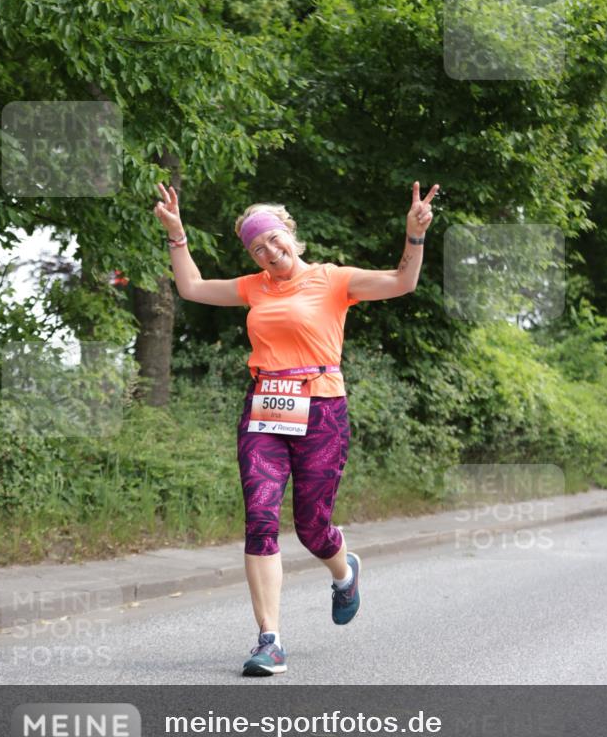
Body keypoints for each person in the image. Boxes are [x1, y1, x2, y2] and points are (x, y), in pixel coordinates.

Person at [153, 181, 438, 676]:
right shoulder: (253, 287)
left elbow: (402, 281)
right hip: (264, 410)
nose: (268, 251)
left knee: (311, 526)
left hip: (322, 409)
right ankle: (270, 640)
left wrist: (414, 235)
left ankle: (344, 571)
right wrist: (177, 234)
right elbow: (192, 288)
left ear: (290, 233)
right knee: (260, 518)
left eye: (273, 239)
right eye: (257, 248)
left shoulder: (334, 279)